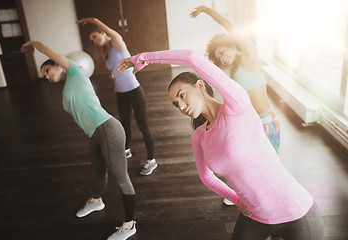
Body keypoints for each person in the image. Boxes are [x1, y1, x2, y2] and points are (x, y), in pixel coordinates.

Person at [117, 49, 324, 240]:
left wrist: (142, 58)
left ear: (199, 85)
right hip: (255, 215)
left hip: (295, 212)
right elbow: (206, 177)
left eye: (182, 96)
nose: (180, 106)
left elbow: (191, 57)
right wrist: (235, 199)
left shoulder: (236, 106)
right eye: (175, 104)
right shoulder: (199, 136)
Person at [21, 40, 136, 240]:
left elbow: (48, 49)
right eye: (44, 75)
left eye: (47, 70)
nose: (46, 76)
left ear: (58, 64)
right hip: (95, 134)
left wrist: (33, 44)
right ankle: (96, 201)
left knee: (122, 179)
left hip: (108, 129)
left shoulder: (76, 71)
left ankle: (129, 225)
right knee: (99, 171)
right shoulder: (68, 85)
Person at [190, 5, 280, 154]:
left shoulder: (249, 56)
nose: (222, 58)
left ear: (231, 44)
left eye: (222, 52)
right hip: (250, 123)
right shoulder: (233, 71)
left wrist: (206, 10)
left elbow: (229, 25)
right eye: (219, 58)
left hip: (266, 121)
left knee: (270, 164)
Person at [76, 17, 157, 176]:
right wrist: (114, 85)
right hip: (121, 93)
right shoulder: (105, 52)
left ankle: (152, 160)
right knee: (124, 124)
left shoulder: (118, 44)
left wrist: (91, 20)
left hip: (134, 91)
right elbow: (113, 73)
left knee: (143, 126)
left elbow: (106, 29)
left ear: (103, 33)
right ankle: (126, 150)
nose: (94, 41)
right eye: (91, 40)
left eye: (95, 36)